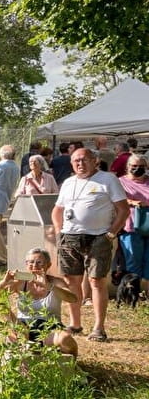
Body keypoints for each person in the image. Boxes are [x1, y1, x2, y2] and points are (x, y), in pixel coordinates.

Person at [49, 146, 129, 341]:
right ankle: (75, 324)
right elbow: (57, 210)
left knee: (96, 281)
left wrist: (110, 235)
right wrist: (60, 232)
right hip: (70, 237)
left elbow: (123, 210)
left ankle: (98, 328)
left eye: (85, 160)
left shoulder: (108, 179)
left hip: (98, 237)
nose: (80, 164)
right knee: (71, 281)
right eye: (76, 160)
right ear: (71, 163)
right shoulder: (68, 183)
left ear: (95, 161)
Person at [0, 248, 79, 356]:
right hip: (23, 328)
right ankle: (26, 347)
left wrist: (49, 286)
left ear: (48, 265)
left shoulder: (55, 282)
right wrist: (4, 282)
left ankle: (73, 365)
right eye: (31, 262)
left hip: (50, 328)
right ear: (26, 265)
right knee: (1, 307)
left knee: (65, 340)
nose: (34, 265)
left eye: (39, 262)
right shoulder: (20, 282)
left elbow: (73, 298)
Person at [119, 153, 149, 294]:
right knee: (133, 262)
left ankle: (146, 293)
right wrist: (132, 202)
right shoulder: (120, 182)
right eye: (134, 166)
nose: (137, 169)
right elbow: (115, 200)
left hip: (148, 226)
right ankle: (132, 294)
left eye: (141, 166)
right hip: (130, 227)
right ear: (128, 167)